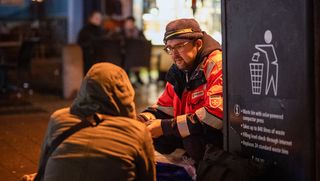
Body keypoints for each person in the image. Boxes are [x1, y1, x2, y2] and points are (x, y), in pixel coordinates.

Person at [22, 63, 156, 181]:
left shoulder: (59, 118)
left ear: (85, 88)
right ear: (126, 93)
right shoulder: (138, 132)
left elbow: (42, 170)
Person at [137, 18, 223, 164]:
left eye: (179, 46)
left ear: (198, 44)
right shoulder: (180, 70)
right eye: (169, 48)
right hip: (191, 135)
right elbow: (164, 108)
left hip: (216, 140)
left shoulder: (216, 64)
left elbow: (214, 118)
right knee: (148, 134)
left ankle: (202, 169)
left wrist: (165, 127)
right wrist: (141, 120)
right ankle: (185, 166)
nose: (174, 54)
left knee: (192, 140)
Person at [121, 16, 147, 86]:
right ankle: (127, 78)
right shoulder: (122, 32)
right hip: (124, 54)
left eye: (131, 23)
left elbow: (143, 41)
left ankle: (137, 78)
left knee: (135, 57)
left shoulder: (138, 32)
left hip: (135, 54)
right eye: (128, 23)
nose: (129, 24)